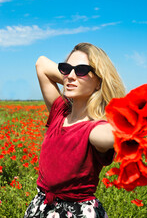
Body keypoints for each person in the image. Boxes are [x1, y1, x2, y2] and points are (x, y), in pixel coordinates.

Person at [24, 42, 125, 218]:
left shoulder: (96, 129)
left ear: (99, 81)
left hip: (75, 213)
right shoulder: (59, 113)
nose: (70, 76)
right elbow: (41, 63)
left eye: (81, 70)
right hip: (40, 208)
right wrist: (75, 76)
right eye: (66, 68)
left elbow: (112, 135)